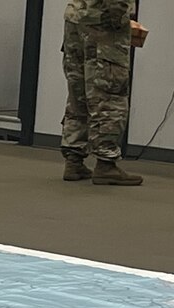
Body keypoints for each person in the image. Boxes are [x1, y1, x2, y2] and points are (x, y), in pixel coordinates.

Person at [60, 0, 142, 185]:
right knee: (109, 94)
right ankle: (106, 164)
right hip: (102, 23)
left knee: (77, 93)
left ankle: (73, 160)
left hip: (75, 19)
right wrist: (119, 16)